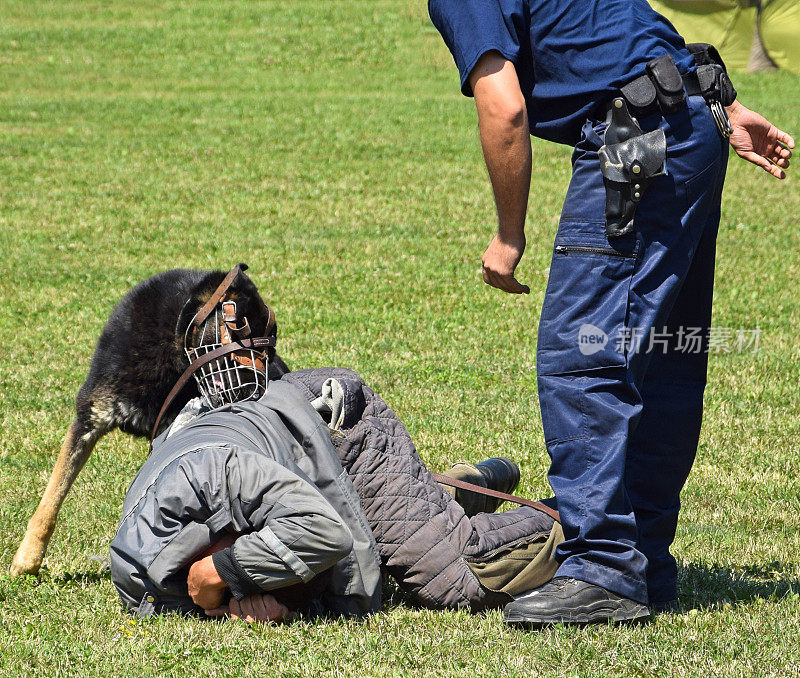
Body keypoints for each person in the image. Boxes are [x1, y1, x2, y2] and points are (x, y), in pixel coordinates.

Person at [427, 0, 794, 627]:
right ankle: (643, 558)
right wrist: (722, 107)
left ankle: (603, 565)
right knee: (663, 357)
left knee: (584, 351)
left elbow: (505, 105)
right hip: (687, 121)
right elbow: (633, 24)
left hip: (636, 137)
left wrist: (508, 236)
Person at [109, 304, 564, 623]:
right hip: (292, 461)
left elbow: (326, 532)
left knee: (457, 576)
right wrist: (246, 603)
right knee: (377, 527)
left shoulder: (217, 473)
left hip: (333, 426)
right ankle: (455, 491)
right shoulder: (140, 570)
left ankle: (600, 521)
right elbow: (192, 597)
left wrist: (224, 572)